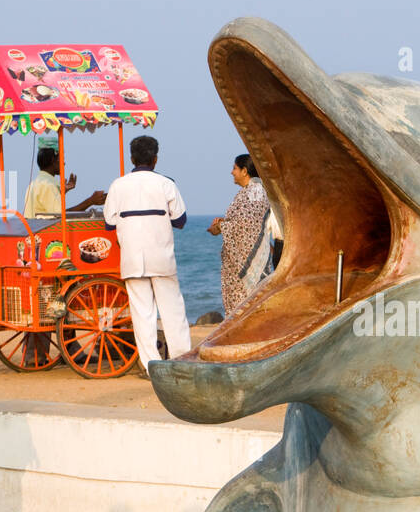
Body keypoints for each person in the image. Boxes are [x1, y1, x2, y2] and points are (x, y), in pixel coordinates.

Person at [102, 135, 194, 373]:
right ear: (155, 158)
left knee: (142, 314)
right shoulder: (166, 184)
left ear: (131, 158)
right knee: (173, 311)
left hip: (132, 258)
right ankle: (182, 360)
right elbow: (181, 220)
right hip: (161, 257)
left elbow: (109, 224)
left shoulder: (117, 185)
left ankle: (151, 364)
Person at [209, 154, 275, 317]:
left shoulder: (256, 191)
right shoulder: (248, 192)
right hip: (237, 264)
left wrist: (221, 226)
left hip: (248, 266)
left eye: (234, 168)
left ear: (244, 171)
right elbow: (244, 219)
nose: (232, 172)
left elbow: (247, 225)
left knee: (248, 307)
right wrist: (225, 223)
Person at [23, 145, 106, 219]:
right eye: (61, 159)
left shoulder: (35, 182)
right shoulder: (48, 185)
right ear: (53, 160)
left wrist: (62, 192)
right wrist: (90, 201)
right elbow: (60, 217)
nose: (64, 163)